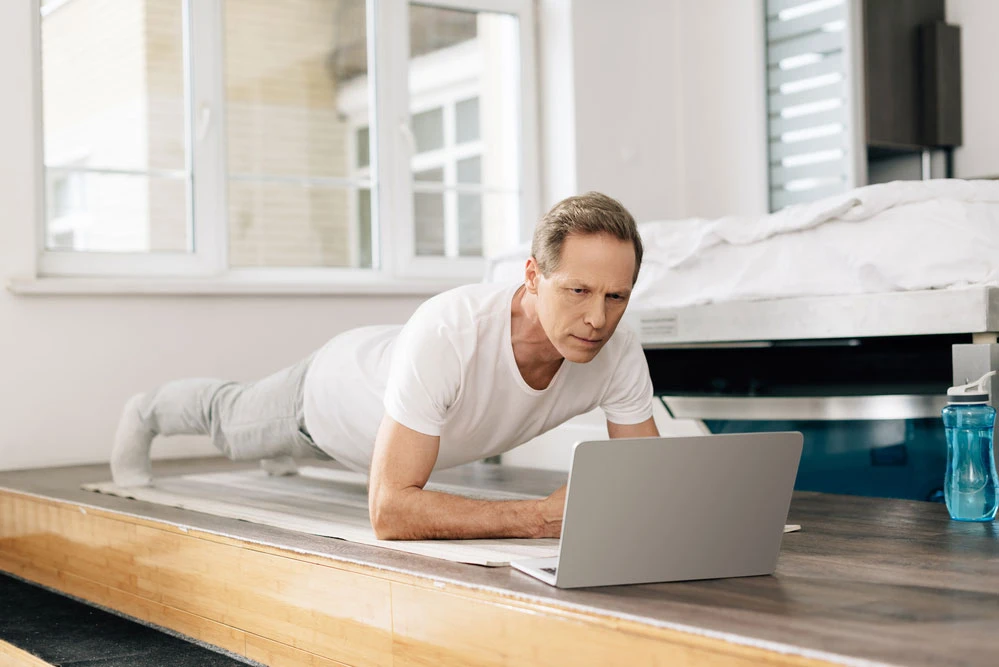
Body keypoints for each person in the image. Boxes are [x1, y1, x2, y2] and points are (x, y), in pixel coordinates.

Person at [111, 191, 659, 540]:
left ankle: (273, 456)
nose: (597, 319)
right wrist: (536, 517)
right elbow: (390, 511)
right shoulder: (453, 329)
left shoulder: (619, 349)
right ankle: (145, 412)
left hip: (395, 366)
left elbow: (649, 484)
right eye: (579, 290)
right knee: (231, 421)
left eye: (617, 297)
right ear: (533, 277)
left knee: (262, 442)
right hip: (327, 399)